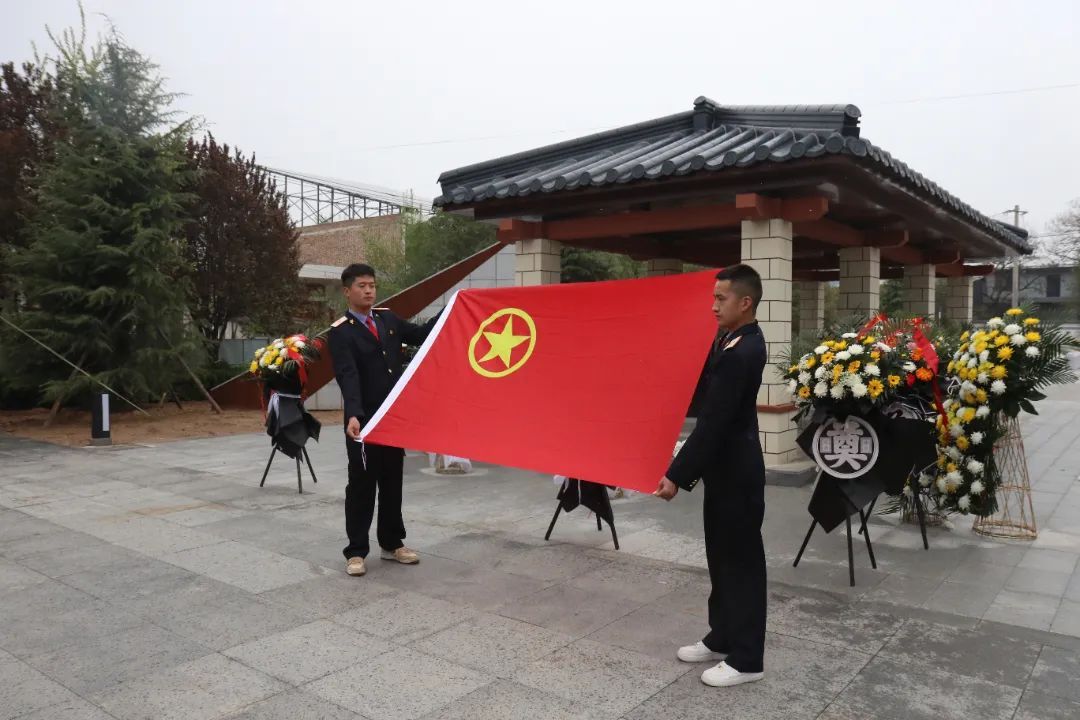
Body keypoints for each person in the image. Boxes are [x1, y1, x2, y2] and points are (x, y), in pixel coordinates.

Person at [654, 264, 768, 688]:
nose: (714, 306)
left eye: (722, 299)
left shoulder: (743, 351)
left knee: (742, 564)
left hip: (737, 471)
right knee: (720, 558)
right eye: (713, 298)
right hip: (723, 470)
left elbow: (714, 423)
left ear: (745, 302)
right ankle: (722, 636)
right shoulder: (727, 340)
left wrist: (675, 475)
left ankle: (748, 659)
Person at [327, 263, 438, 577]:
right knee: (361, 487)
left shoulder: (387, 319)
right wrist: (353, 413)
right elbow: (347, 375)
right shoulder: (341, 332)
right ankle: (356, 551)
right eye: (361, 286)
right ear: (347, 291)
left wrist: (453, 307)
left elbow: (420, 334)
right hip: (363, 422)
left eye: (372, 285)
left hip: (393, 419)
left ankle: (392, 544)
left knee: (392, 483)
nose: (368, 291)